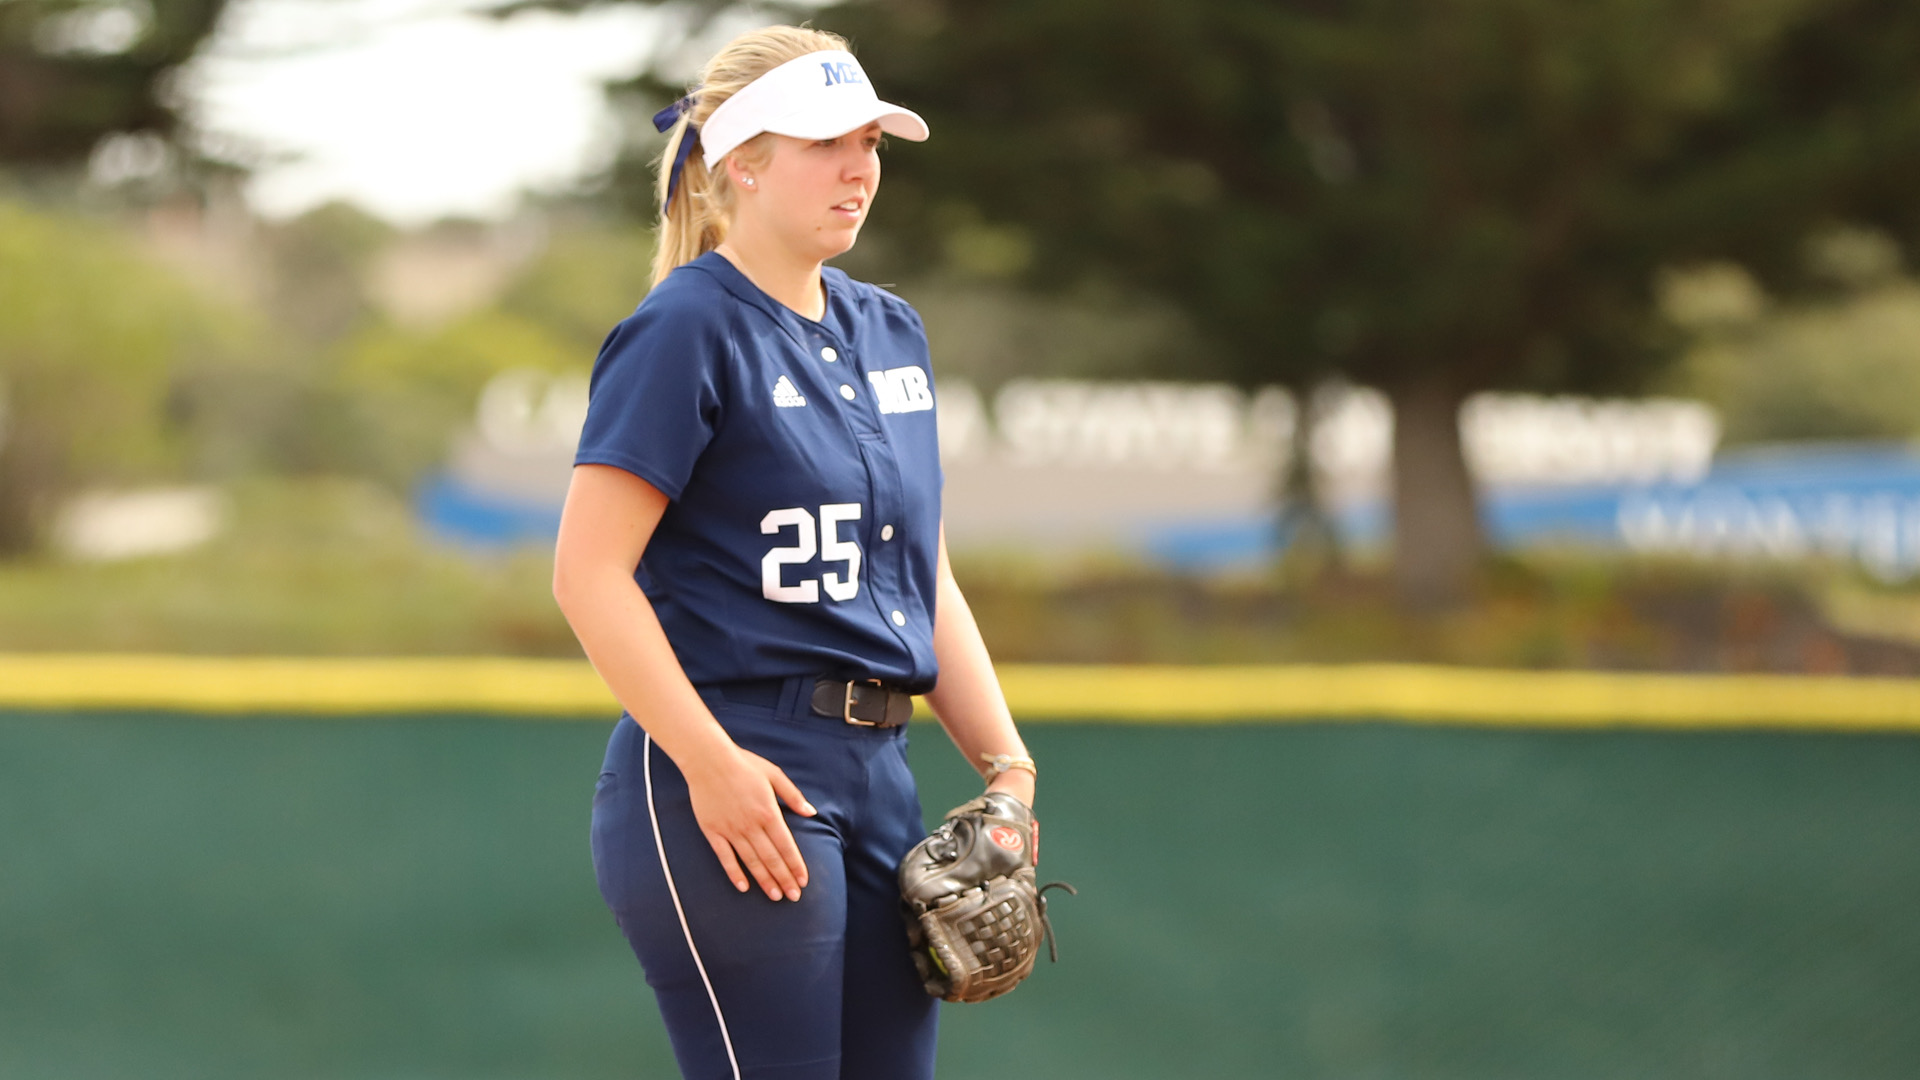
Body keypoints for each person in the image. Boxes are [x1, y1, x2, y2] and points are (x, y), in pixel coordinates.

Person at [551, 24, 1038, 1080]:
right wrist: (708, 761)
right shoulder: (686, 327)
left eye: (871, 143)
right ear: (743, 162)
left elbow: (922, 573)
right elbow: (587, 574)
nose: (859, 168)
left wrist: (1008, 765)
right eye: (826, 143)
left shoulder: (890, 330)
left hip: (879, 770)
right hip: (732, 762)